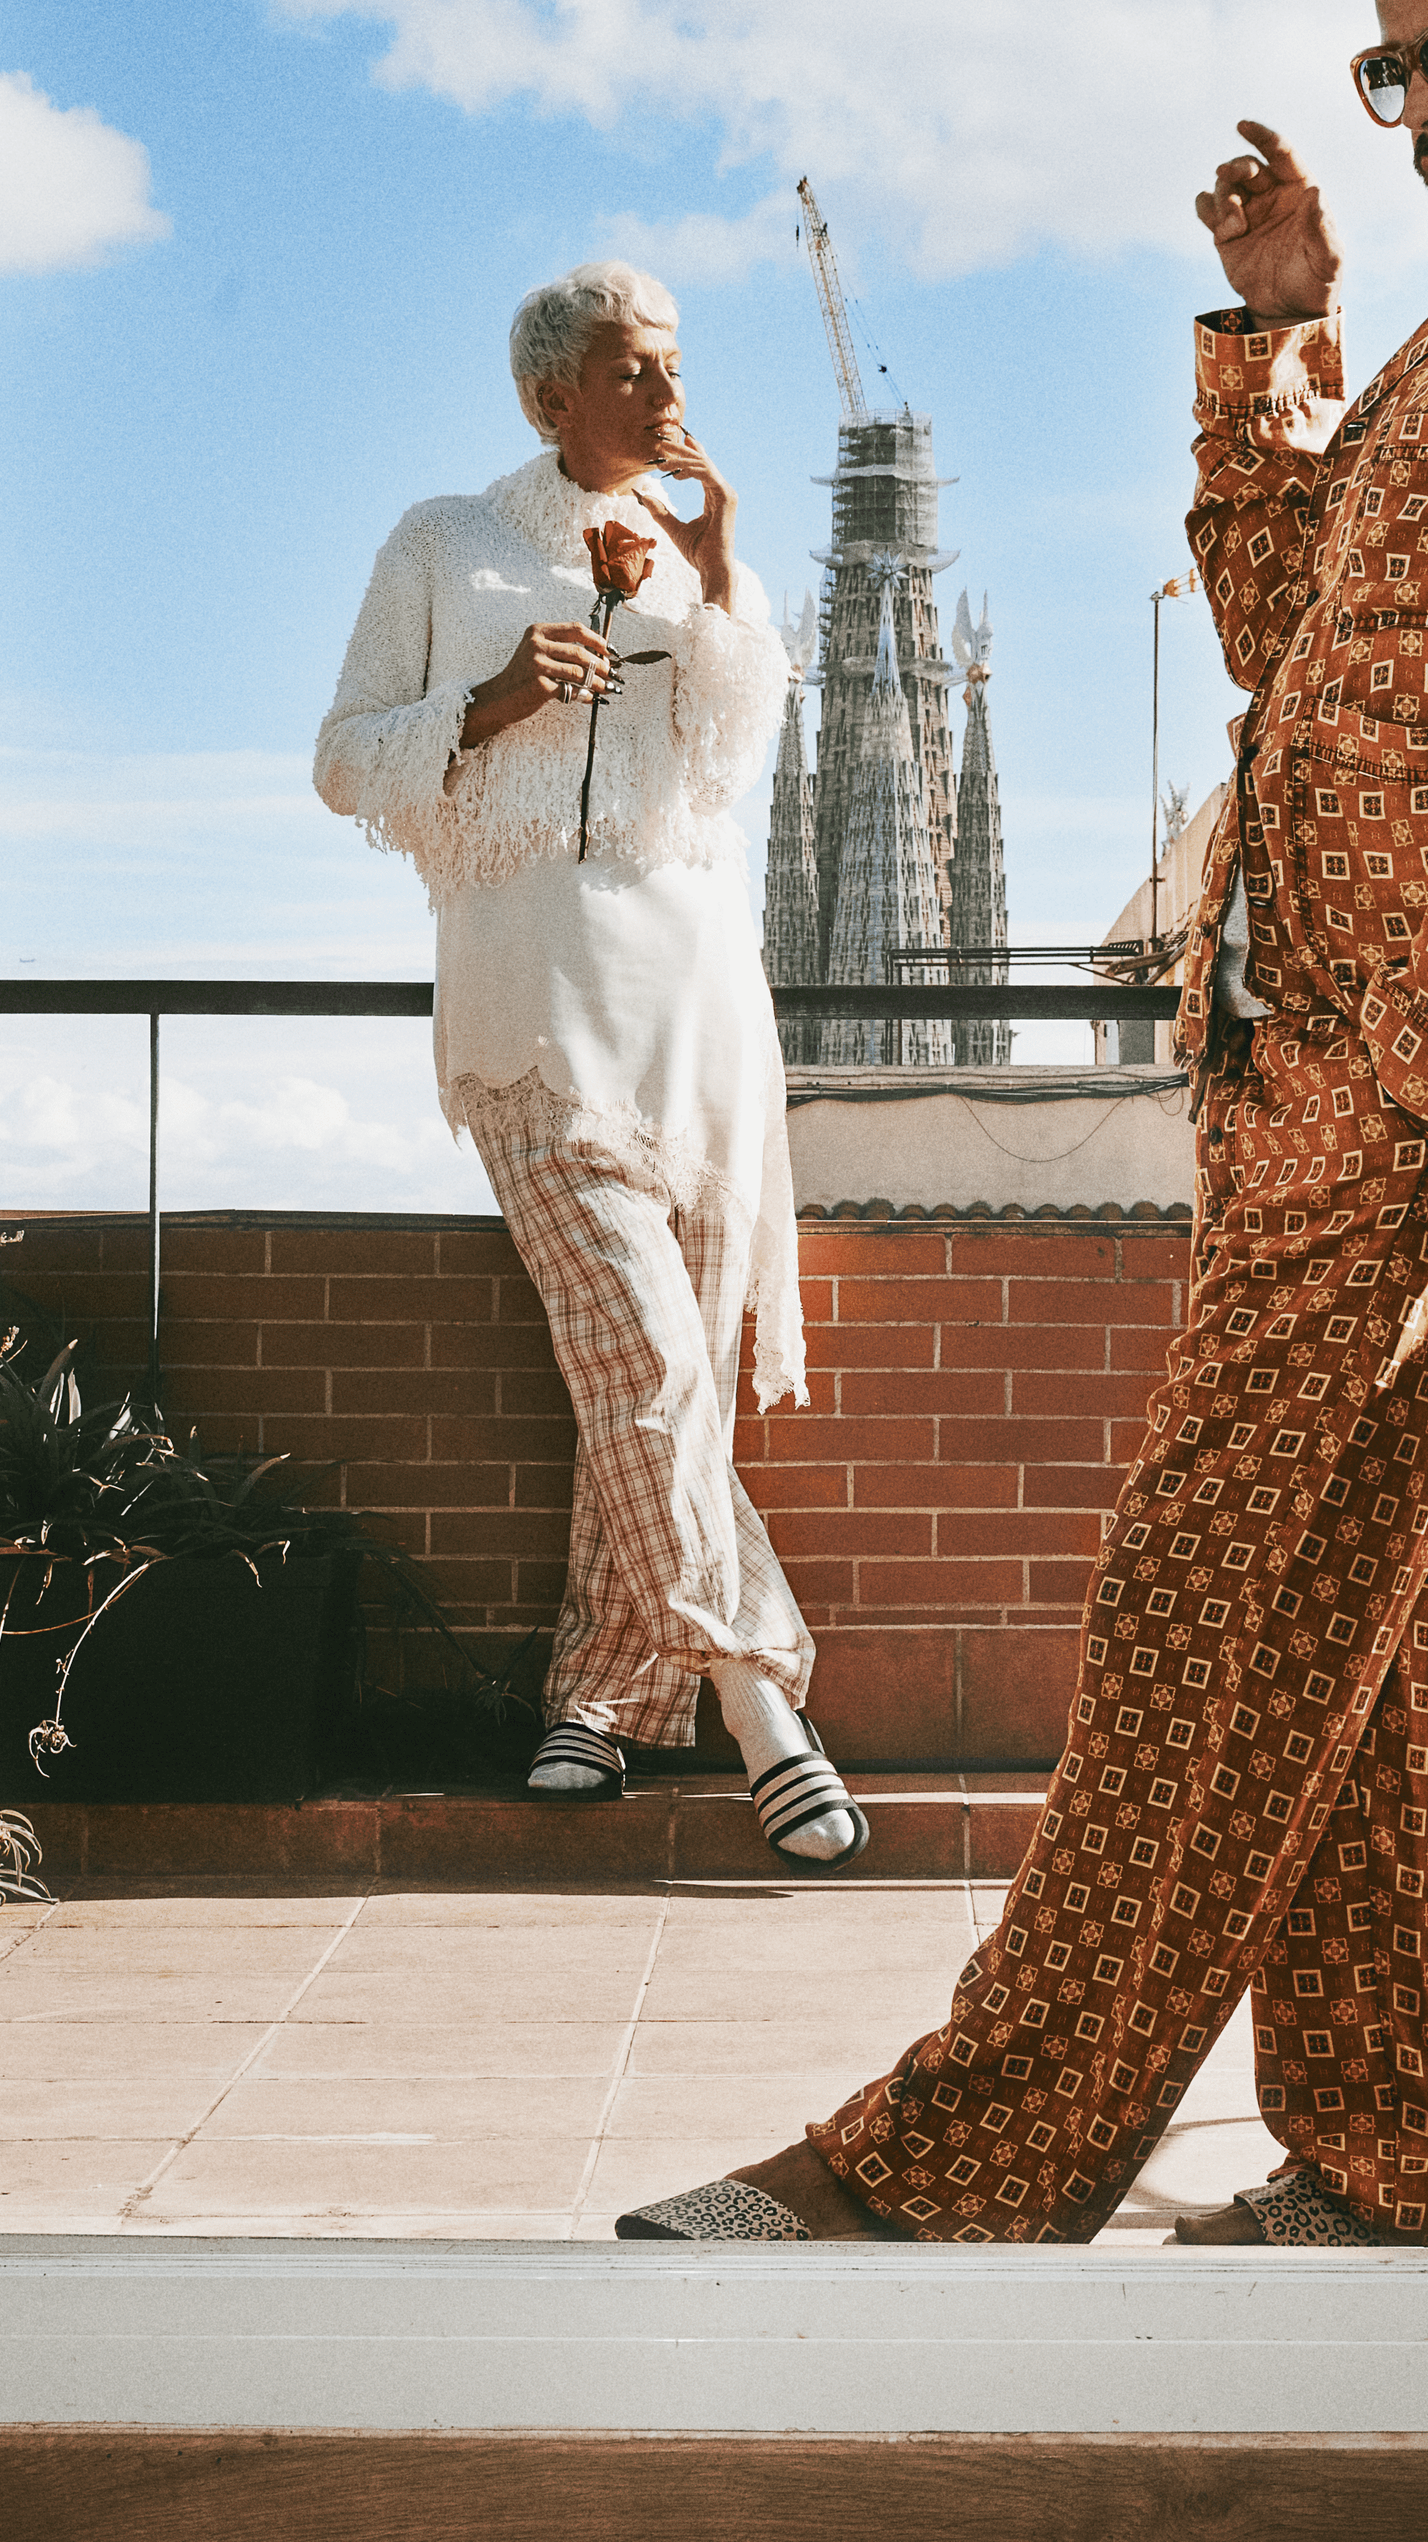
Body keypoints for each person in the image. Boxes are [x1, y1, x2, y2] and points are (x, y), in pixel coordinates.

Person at [619, 0, 1428, 2242]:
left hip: (1418, 1088)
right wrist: (1270, 331)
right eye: (1387, 62)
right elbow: (1280, 629)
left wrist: (1425, 1051)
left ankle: (960, 2165)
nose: (1418, 100)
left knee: (1199, 1616)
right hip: (1331, 1079)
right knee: (1406, 1656)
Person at [313, 260, 866, 1867]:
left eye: (675, 361)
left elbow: (729, 762)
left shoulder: (701, 562)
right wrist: (485, 704)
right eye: (633, 365)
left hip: (696, 1021)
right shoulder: (446, 543)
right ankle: (769, 1707)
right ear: (552, 390)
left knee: (654, 1379)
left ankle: (602, 1695)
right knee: (648, 1364)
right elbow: (344, 753)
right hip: (531, 1022)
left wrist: (724, 569)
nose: (665, 389)